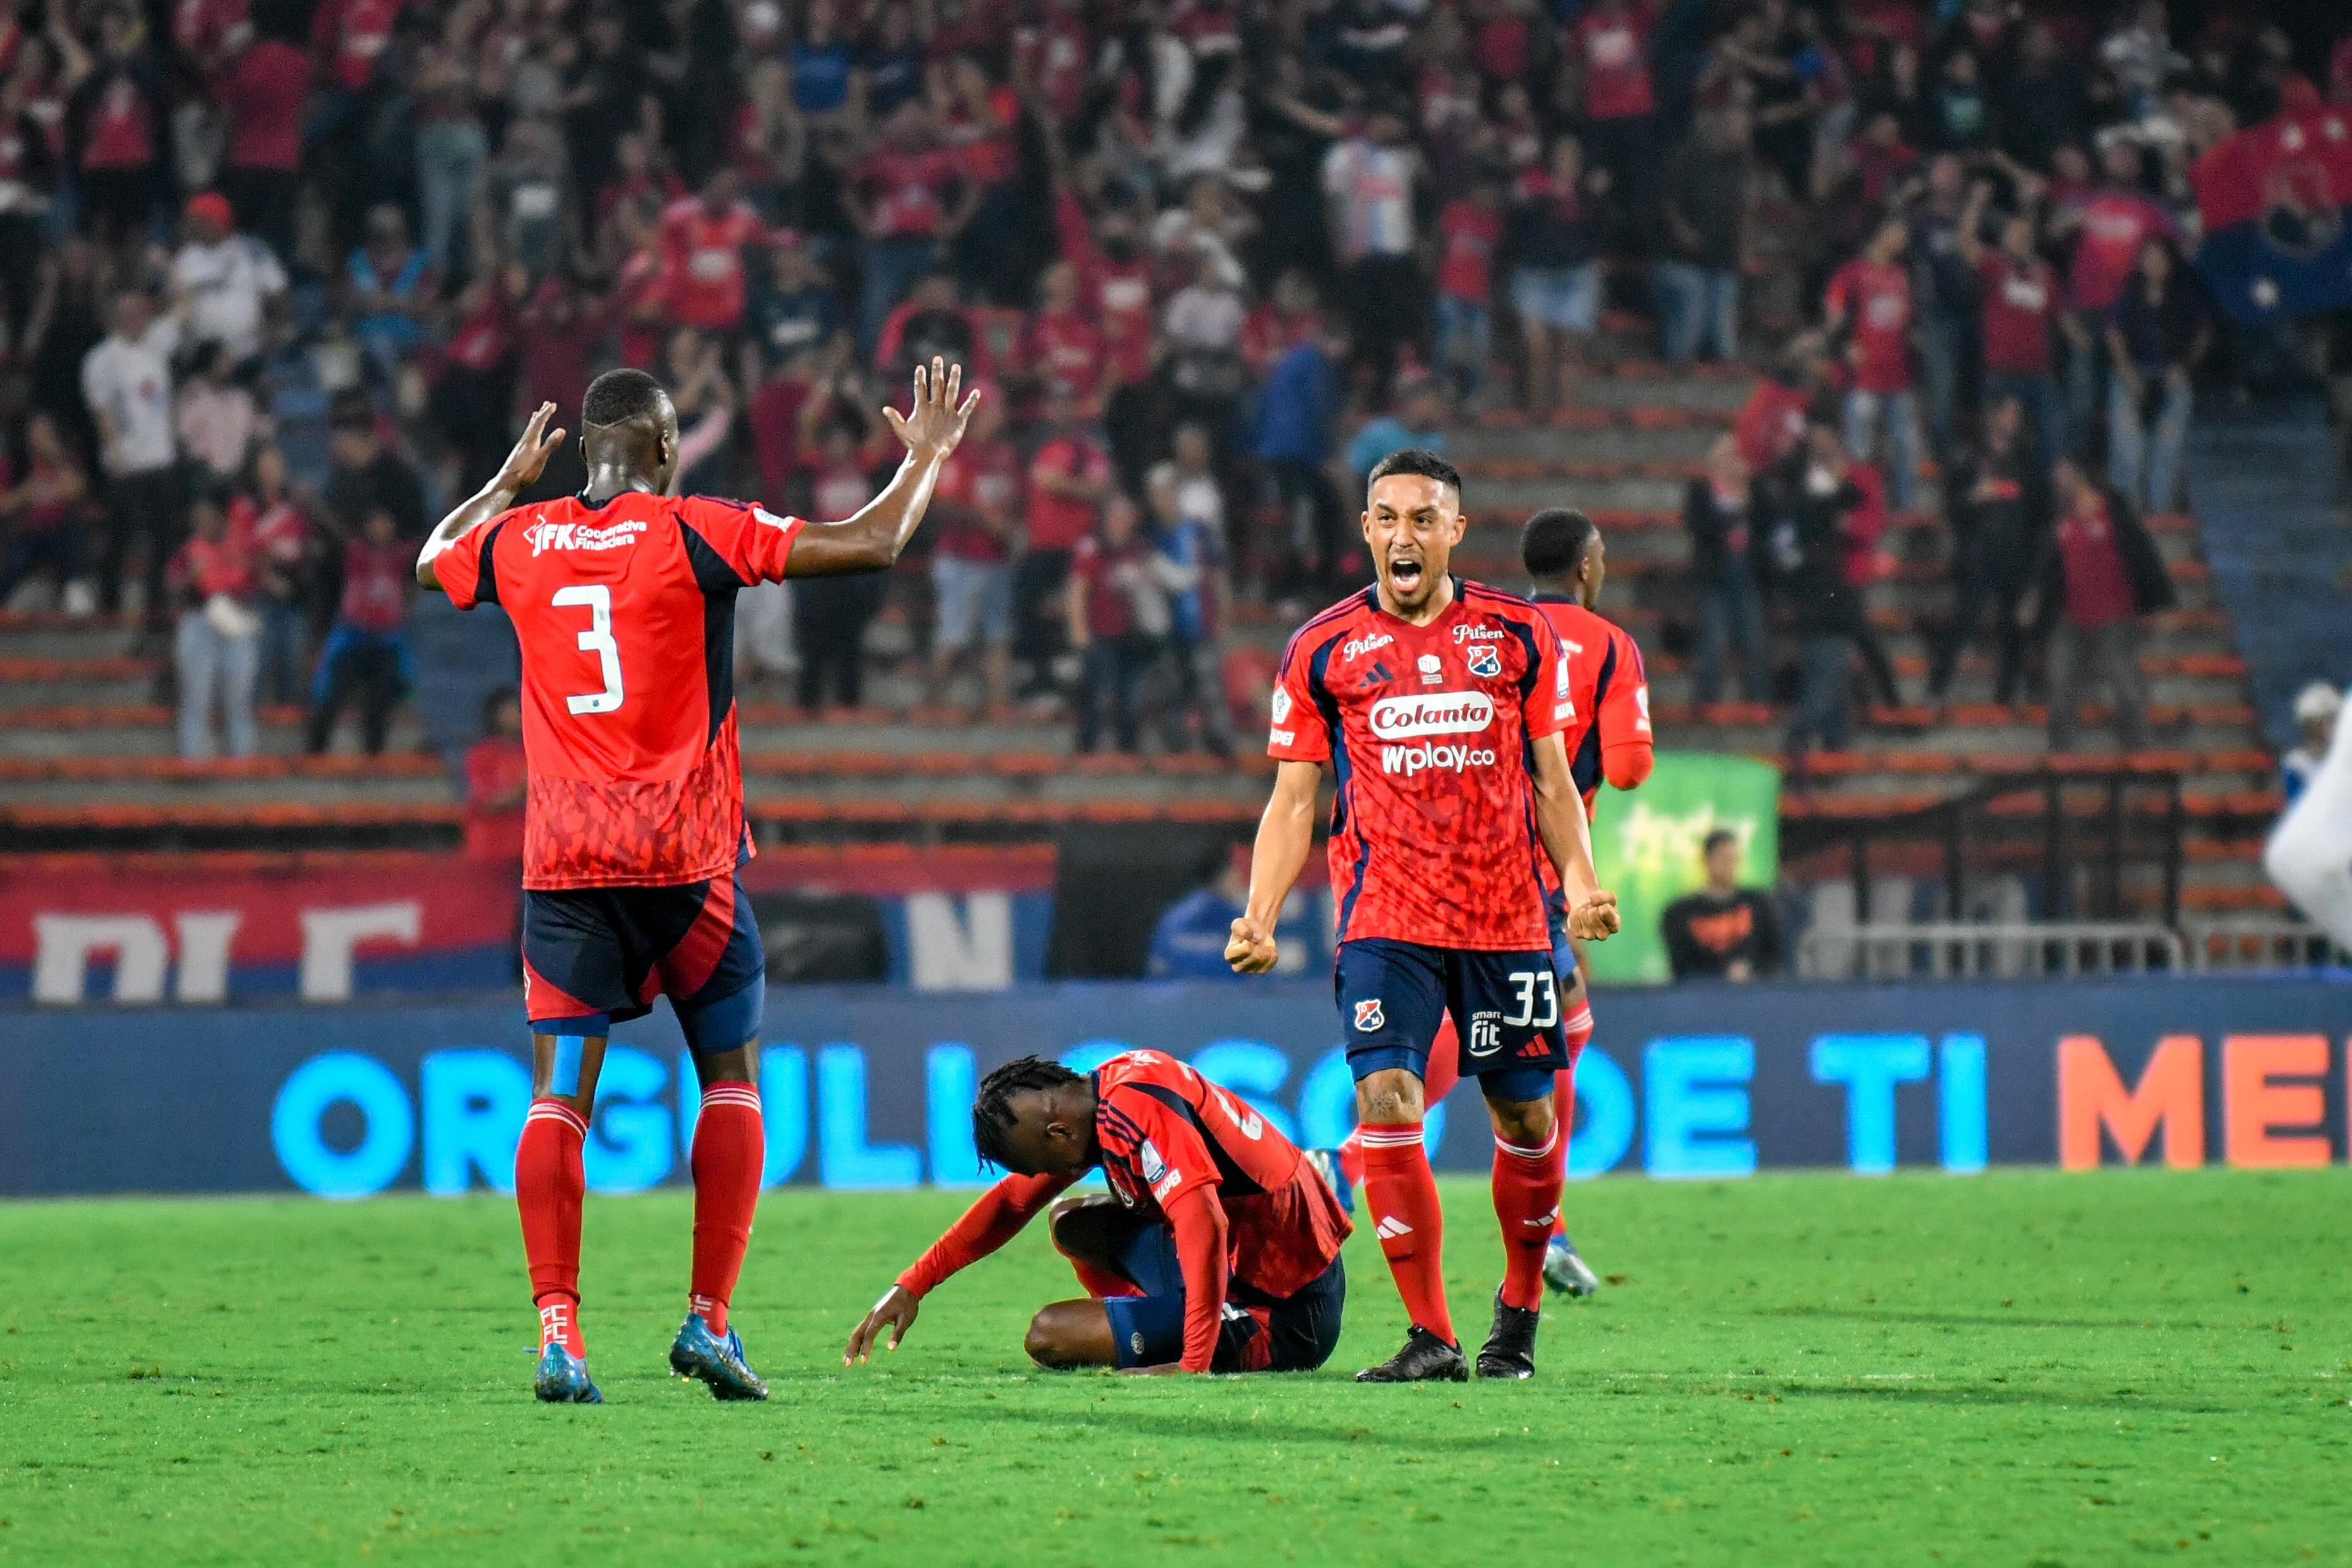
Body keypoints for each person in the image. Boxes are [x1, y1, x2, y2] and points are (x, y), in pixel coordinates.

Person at [413, 355, 979, 1404]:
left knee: (558, 1103)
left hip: (567, 868)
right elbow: (876, 541)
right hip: (686, 866)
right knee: (730, 1081)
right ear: (666, 450)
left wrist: (503, 480)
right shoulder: (692, 528)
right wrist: (928, 459)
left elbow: (429, 559)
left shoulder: (523, 539)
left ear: (586, 452)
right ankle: (708, 1324)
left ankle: (558, 1338)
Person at [1225, 448, 1620, 1383]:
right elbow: (1293, 800)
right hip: (1383, 915)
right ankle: (1431, 1336)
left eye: (1422, 518)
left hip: (1506, 915)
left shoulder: (1519, 634)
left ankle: (1517, 1314)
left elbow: (1553, 779)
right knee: (1388, 1100)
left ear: (1454, 532)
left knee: (1524, 1120)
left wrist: (1583, 884)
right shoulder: (1323, 648)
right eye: (1387, 518)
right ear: (1367, 530)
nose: (1404, 535)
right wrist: (1260, 913)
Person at [843, 1051, 1350, 1376]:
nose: (1037, 1175)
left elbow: (1206, 1223)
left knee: (1050, 1334)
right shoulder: (1107, 1092)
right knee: (1071, 1220)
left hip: (1285, 1311)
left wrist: (1191, 1365)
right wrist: (912, 1285)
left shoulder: (1135, 1111)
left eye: (1036, 1163)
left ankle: (1207, 1336)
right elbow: (1009, 1204)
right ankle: (1160, 1323)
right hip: (1247, 1261)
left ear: (1057, 1133)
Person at [2027, 458, 2174, 755]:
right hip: (2072, 616)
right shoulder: (2059, 524)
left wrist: (2159, 602)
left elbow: (2143, 557)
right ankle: (2061, 750)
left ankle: (2139, 746)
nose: (2057, 481)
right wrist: (2034, 600)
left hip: (2114, 615)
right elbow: (2046, 568)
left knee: (2124, 682)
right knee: (2059, 680)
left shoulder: (2113, 514)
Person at [1928, 394, 2046, 708]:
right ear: (1992, 416)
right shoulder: (1968, 458)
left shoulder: (2026, 461)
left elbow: (2040, 514)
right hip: (1977, 553)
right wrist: (1972, 498)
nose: (2011, 420)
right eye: (2006, 412)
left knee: (2013, 626)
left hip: (2014, 556)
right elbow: (1952, 507)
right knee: (1963, 620)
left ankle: (2007, 694)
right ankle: (1937, 688)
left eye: (2016, 415)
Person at [80, 286, 181, 622]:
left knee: (165, 540)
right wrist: (115, 453)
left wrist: (170, 271)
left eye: (143, 313)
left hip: (161, 460)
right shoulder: (103, 358)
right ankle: (109, 606)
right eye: (132, 313)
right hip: (128, 464)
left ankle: (156, 610)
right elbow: (102, 411)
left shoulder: (156, 345)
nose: (139, 319)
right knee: (119, 540)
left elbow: (185, 307)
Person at [1960, 180, 2065, 467]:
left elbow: (2061, 315)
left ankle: (2044, 496)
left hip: (2038, 371)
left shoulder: (2046, 273)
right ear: (2005, 240)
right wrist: (1976, 204)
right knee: (1995, 441)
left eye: (2025, 234)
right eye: (2014, 234)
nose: (2021, 238)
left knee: (2052, 439)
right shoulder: (1996, 266)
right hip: (2001, 370)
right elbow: (1966, 242)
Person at [2104, 237, 2210, 514]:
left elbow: (2203, 333)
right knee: (2129, 450)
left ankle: (2160, 516)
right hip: (2133, 372)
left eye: (2160, 258)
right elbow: (2115, 335)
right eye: (2148, 258)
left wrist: (2184, 366)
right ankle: (2126, 515)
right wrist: (2128, 373)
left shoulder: (2184, 294)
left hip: (2172, 374)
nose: (2154, 264)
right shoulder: (2130, 293)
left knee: (2167, 449)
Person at [1824, 216, 1920, 510]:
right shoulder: (1852, 273)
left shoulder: (1902, 275)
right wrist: (1843, 347)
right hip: (1863, 375)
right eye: (1896, 232)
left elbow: (1907, 320)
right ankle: (1859, 505)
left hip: (1897, 373)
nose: (1902, 239)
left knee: (1906, 443)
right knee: (1859, 446)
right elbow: (1833, 314)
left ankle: (1906, 503)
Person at [305, 506, 413, 756]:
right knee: (329, 695)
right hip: (352, 638)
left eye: (385, 524)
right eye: (376, 524)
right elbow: (334, 536)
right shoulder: (354, 553)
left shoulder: (400, 557)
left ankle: (374, 756)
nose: (380, 530)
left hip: (386, 641)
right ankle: (315, 754)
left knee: (380, 699)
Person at [166, 491, 261, 762]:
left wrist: (253, 567)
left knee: (239, 697)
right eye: (198, 518)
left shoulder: (241, 547)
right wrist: (190, 578)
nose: (202, 522)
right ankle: (194, 761)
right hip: (200, 621)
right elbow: (172, 586)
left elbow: (254, 584)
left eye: (207, 516)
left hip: (236, 619)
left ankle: (242, 761)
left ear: (222, 519)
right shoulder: (190, 549)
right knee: (196, 696)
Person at [1655, 107, 1751, 369]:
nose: (1744, 133)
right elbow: (1667, 201)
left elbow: (1742, 211)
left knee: (1724, 312)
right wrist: (1683, 232)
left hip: (1722, 259)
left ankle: (1726, 367)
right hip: (1681, 260)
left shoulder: (1739, 165)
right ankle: (1679, 362)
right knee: (1693, 302)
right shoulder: (1688, 157)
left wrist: (1742, 247)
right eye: (1739, 126)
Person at [1684, 434, 1769, 705]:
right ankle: (1707, 699)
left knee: (1753, 637)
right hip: (1714, 573)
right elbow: (1698, 527)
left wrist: (1747, 489)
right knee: (1714, 639)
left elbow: (1767, 522)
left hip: (1746, 570)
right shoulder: (1701, 490)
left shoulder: (1753, 490)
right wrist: (1729, 519)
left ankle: (1757, 697)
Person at [1661, 828, 1784, 981]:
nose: (1730, 866)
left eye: (1734, 859)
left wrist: (1750, 970)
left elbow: (1774, 957)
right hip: (1702, 995)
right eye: (1724, 859)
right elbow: (1681, 967)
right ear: (1706, 860)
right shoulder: (1680, 913)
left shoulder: (1758, 905)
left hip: (1753, 994)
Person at [464, 687, 527, 866]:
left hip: (527, 849)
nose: (518, 715)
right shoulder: (481, 755)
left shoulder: (530, 751)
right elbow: (486, 802)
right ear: (497, 714)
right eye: (513, 710)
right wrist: (521, 789)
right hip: (492, 849)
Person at [2283, 682, 2341, 807]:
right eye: (2321, 722)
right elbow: (2298, 807)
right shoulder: (2297, 763)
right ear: (2308, 725)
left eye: (2332, 720)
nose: (2328, 727)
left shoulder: (2343, 759)